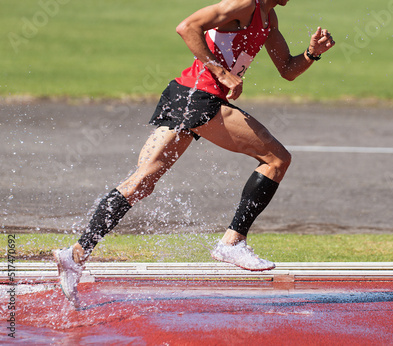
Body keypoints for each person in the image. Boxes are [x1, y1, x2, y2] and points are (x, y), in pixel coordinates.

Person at [53, 0, 335, 307]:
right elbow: (187, 27)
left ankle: (75, 255)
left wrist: (312, 53)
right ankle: (233, 242)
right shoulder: (243, 5)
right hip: (200, 97)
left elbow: (287, 70)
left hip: (184, 96)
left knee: (142, 182)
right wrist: (221, 72)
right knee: (276, 159)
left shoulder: (268, 19)